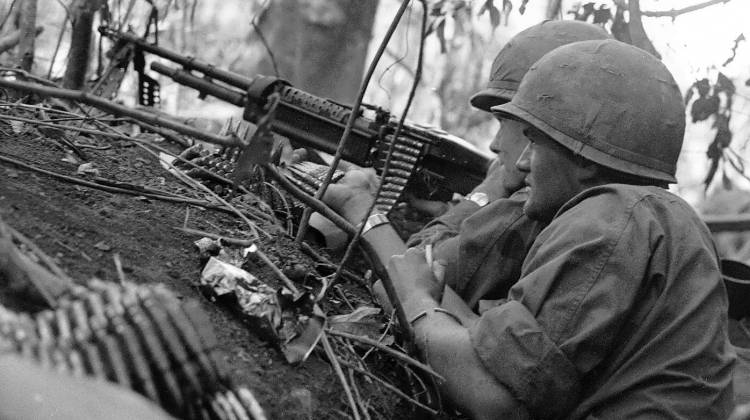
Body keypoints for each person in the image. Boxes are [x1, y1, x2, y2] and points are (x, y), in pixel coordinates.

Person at [326, 39, 735, 418]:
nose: (521, 163)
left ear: (585, 158)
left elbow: (497, 399)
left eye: (535, 142)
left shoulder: (610, 220)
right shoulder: (645, 216)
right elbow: (498, 348)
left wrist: (415, 299)